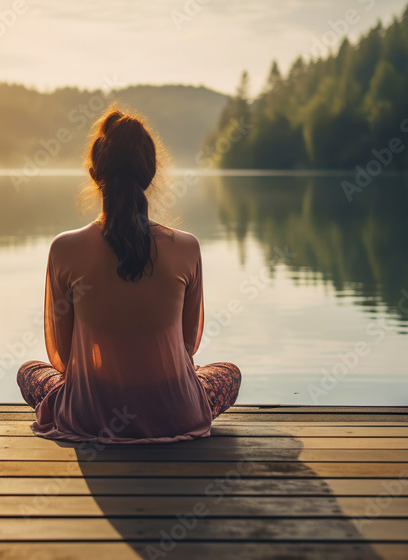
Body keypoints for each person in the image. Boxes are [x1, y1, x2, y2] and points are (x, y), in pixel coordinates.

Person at [16, 108, 240, 444]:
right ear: (149, 174)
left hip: (90, 417)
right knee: (228, 374)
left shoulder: (64, 249)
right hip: (175, 415)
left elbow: (63, 361)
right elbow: (188, 345)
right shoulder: (187, 248)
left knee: (29, 373)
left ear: (95, 172)